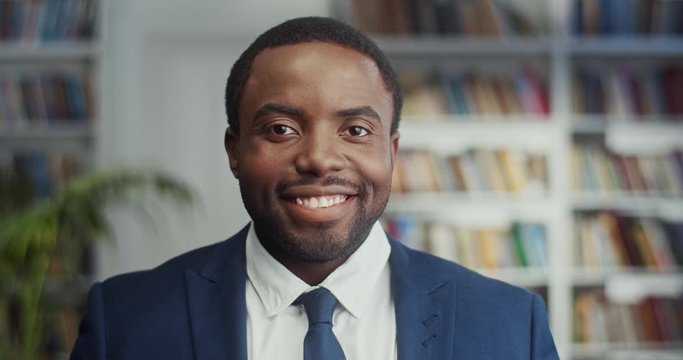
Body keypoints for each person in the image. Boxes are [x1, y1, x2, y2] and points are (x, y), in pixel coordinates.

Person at [71, 17, 559, 359]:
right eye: (281, 128)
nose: (320, 158)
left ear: (392, 151)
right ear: (234, 150)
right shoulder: (126, 322)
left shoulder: (511, 324)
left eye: (356, 130)